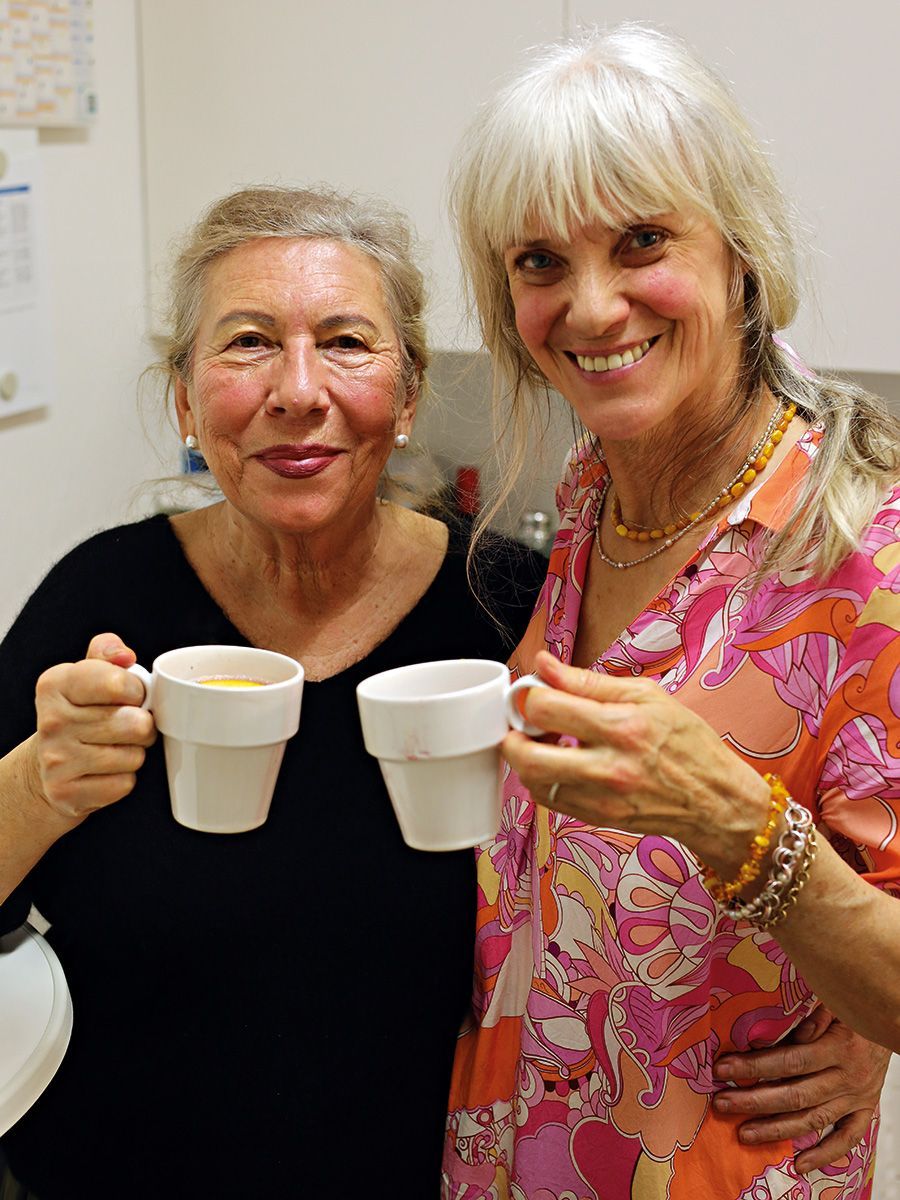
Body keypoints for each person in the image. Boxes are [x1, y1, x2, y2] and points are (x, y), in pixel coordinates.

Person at [0, 185, 550, 1198]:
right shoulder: (98, 602)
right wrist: (39, 784)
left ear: (410, 394)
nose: (298, 390)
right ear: (184, 399)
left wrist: (834, 1032)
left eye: (345, 342)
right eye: (248, 343)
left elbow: (636, 898)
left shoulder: (511, 608)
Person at [442, 24, 900, 1199]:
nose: (592, 307)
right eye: (541, 261)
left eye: (641, 241)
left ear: (739, 252)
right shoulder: (596, 487)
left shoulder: (865, 549)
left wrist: (739, 828)